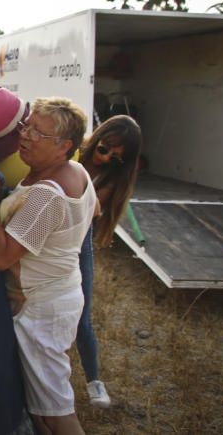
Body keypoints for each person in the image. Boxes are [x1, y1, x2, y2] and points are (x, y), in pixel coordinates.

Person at [0, 97, 97, 435]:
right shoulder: (78, 172)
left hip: (42, 307)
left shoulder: (47, 197)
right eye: (27, 126)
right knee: (40, 408)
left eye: (39, 134)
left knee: (56, 411)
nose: (26, 136)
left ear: (65, 147)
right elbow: (94, 211)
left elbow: (2, 257)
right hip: (58, 293)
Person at [75, 115, 142, 409]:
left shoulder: (113, 178)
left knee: (82, 315)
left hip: (78, 242)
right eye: (104, 149)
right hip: (42, 231)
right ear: (96, 140)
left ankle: (93, 381)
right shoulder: (72, 150)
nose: (107, 159)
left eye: (117, 158)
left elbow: (91, 211)